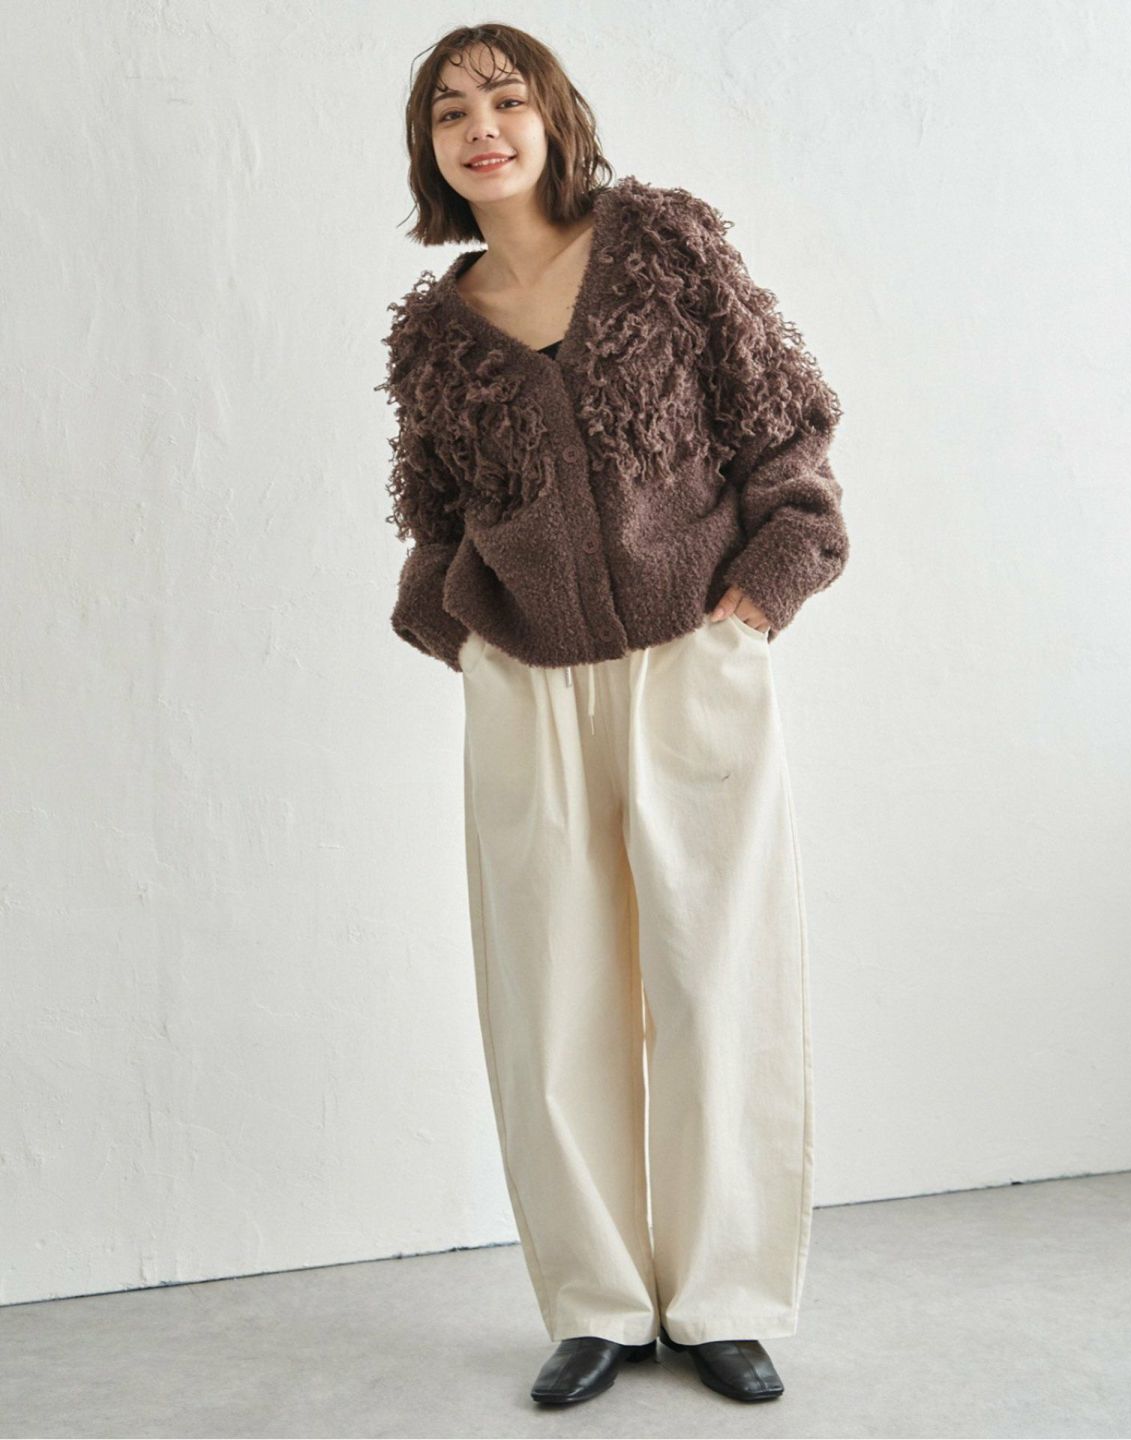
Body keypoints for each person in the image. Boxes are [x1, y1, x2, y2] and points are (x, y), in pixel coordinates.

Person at [377, 22, 850, 1409]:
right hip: (527, 684)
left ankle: (722, 1299)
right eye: (451, 111)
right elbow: (433, 513)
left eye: (505, 97)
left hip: (693, 652)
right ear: (431, 152)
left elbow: (785, 423)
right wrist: (462, 633)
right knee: (553, 997)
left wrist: (764, 590)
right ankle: (593, 1303)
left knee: (717, 978)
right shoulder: (435, 336)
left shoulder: (663, 248)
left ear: (554, 116)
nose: (482, 127)